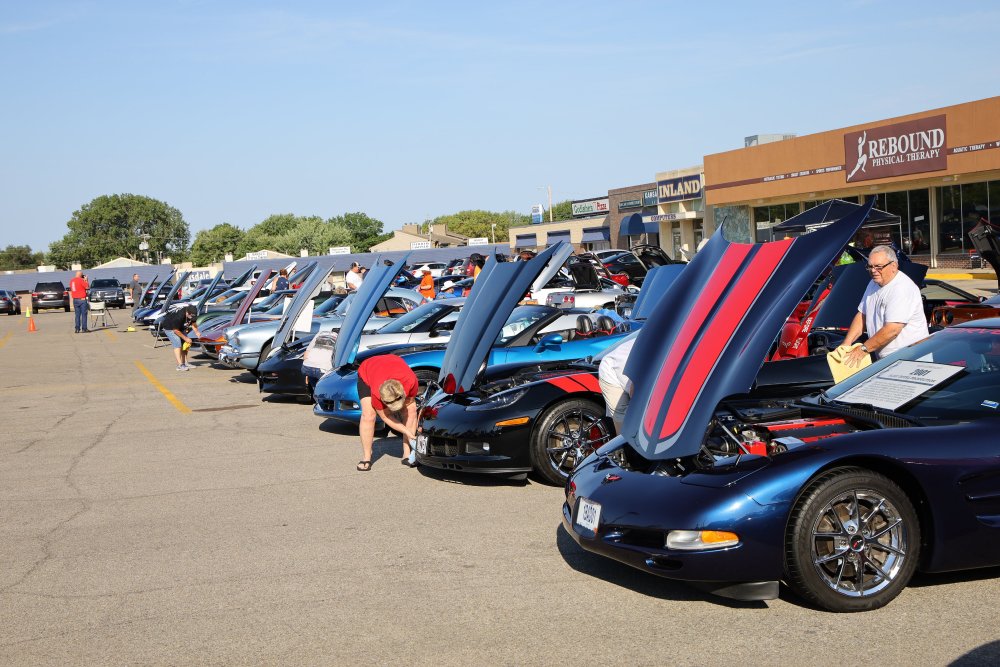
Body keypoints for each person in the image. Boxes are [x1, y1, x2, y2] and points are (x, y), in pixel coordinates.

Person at [843, 246, 929, 368]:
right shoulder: (873, 283)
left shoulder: (901, 288)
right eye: (870, 266)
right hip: (888, 360)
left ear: (893, 266)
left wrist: (863, 349)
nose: (873, 270)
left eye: (878, 266)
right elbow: (862, 314)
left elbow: (892, 330)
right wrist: (846, 343)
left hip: (910, 360)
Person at [356, 354, 419, 471]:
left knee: (411, 410)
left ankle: (407, 454)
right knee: (369, 415)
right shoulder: (377, 392)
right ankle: (366, 458)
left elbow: (411, 407)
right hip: (368, 369)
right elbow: (386, 416)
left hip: (393, 363)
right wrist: (408, 432)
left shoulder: (411, 381)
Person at [598, 335, 636, 434]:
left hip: (625, 369)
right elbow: (636, 393)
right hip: (611, 372)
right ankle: (624, 448)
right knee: (623, 420)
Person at [161, 304, 202, 371]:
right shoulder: (179, 316)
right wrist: (185, 338)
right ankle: (180, 365)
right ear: (187, 313)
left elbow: (193, 323)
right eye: (191, 317)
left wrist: (197, 332)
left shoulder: (192, 313)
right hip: (170, 328)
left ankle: (185, 362)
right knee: (177, 343)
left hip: (180, 328)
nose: (191, 318)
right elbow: (175, 330)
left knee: (186, 344)